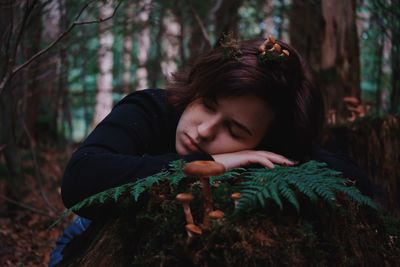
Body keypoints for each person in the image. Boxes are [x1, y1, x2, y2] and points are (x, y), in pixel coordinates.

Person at [49, 36, 372, 266]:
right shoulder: (149, 108)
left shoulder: (278, 148)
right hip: (90, 232)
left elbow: (359, 186)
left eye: (234, 130)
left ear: (268, 143)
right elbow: (81, 180)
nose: (203, 130)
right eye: (207, 104)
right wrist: (211, 161)